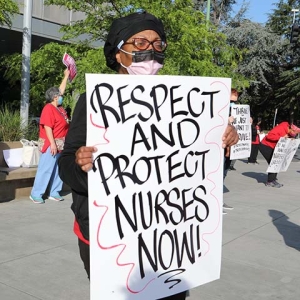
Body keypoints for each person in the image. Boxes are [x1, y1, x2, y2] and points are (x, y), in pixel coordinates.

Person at [58, 12, 239, 300]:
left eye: (157, 44)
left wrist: (222, 135)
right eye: (139, 42)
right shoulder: (93, 100)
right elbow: (66, 165)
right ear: (119, 53)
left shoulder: (179, 98)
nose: (150, 50)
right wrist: (80, 164)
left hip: (167, 236)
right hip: (108, 237)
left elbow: (198, 152)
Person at [29, 68, 70, 204]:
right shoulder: (49, 108)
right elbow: (47, 127)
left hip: (61, 144)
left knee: (58, 169)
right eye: (59, 95)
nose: (62, 96)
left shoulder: (59, 107)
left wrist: (66, 76)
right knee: (46, 169)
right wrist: (52, 143)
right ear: (55, 97)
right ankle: (36, 193)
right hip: (51, 144)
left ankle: (54, 191)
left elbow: (61, 89)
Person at [259, 121, 300, 188]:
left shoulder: (289, 131)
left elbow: (287, 137)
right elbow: (269, 136)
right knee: (274, 162)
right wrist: (281, 137)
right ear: (290, 128)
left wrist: (290, 139)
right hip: (266, 146)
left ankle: (272, 179)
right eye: (295, 132)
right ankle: (270, 181)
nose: (295, 134)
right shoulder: (281, 127)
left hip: (274, 147)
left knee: (278, 162)